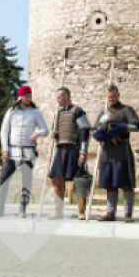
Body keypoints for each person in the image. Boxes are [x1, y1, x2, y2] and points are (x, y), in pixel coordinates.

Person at [0, 85, 48, 217]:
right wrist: (5, 149)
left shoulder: (35, 112)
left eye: (30, 96)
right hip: (12, 151)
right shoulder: (11, 112)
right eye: (26, 96)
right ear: (20, 97)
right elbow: (4, 131)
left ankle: (23, 209)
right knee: (4, 180)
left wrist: (36, 133)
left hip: (27, 151)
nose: (28, 98)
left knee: (26, 182)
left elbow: (44, 129)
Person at [94, 85, 139, 222]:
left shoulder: (126, 110)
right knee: (110, 184)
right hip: (107, 150)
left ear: (118, 95)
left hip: (122, 150)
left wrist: (123, 127)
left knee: (126, 182)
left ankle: (128, 213)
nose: (111, 98)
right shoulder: (103, 113)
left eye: (113, 96)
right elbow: (95, 130)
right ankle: (110, 212)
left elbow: (136, 126)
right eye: (109, 96)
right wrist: (101, 133)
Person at [48, 87, 89, 219]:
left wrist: (83, 151)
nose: (57, 100)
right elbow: (56, 129)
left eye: (59, 97)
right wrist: (53, 134)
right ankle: (58, 211)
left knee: (79, 180)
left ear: (66, 97)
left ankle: (81, 211)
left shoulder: (77, 111)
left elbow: (84, 130)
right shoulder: (58, 113)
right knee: (57, 180)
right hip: (60, 149)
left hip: (74, 149)